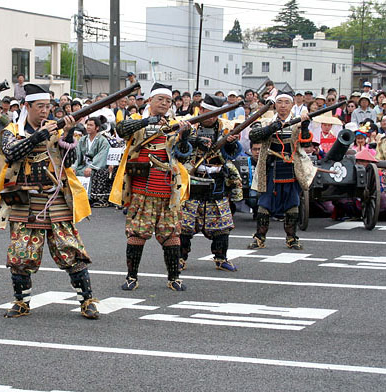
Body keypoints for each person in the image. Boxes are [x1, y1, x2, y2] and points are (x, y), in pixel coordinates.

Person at [0, 84, 99, 320]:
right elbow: (10, 153)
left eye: (48, 106)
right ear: (27, 107)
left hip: (55, 197)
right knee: (20, 253)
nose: (45, 111)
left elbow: (70, 162)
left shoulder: (56, 130)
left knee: (70, 249)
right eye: (40, 107)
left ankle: (87, 300)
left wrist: (66, 134)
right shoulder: (12, 130)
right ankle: (21, 301)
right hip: (23, 200)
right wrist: (40, 135)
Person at [109, 82, 191, 291]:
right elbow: (121, 130)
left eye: (168, 101)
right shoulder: (137, 121)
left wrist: (185, 136)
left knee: (172, 234)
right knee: (137, 234)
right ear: (149, 101)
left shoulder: (176, 123)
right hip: (141, 188)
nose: (164, 103)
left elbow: (183, 155)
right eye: (160, 99)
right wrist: (150, 120)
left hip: (167, 188)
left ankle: (174, 278)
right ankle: (131, 277)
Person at [179, 94, 243, 272]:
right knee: (185, 226)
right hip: (193, 179)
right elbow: (179, 150)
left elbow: (232, 154)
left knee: (222, 226)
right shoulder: (190, 126)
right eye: (208, 112)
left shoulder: (226, 128)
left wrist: (230, 143)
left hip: (217, 180)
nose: (212, 116)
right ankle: (180, 258)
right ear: (201, 110)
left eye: (216, 113)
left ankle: (221, 258)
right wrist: (191, 140)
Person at [247, 92, 314, 250]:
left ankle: (291, 238)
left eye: (286, 102)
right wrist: (272, 127)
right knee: (264, 203)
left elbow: (306, 143)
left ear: (291, 105)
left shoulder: (297, 123)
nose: (283, 105)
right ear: (275, 105)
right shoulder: (266, 121)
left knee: (292, 204)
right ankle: (259, 237)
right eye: (279, 102)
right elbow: (253, 135)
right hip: (270, 167)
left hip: (291, 167)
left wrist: (304, 126)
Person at [74, 117, 111, 207]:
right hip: (83, 165)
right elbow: (77, 155)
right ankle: (76, 197)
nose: (88, 127)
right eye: (87, 125)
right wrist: (74, 167)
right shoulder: (82, 140)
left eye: (91, 125)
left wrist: (91, 167)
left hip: (96, 166)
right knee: (74, 172)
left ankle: (88, 197)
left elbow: (102, 155)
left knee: (89, 173)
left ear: (97, 128)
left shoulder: (103, 141)